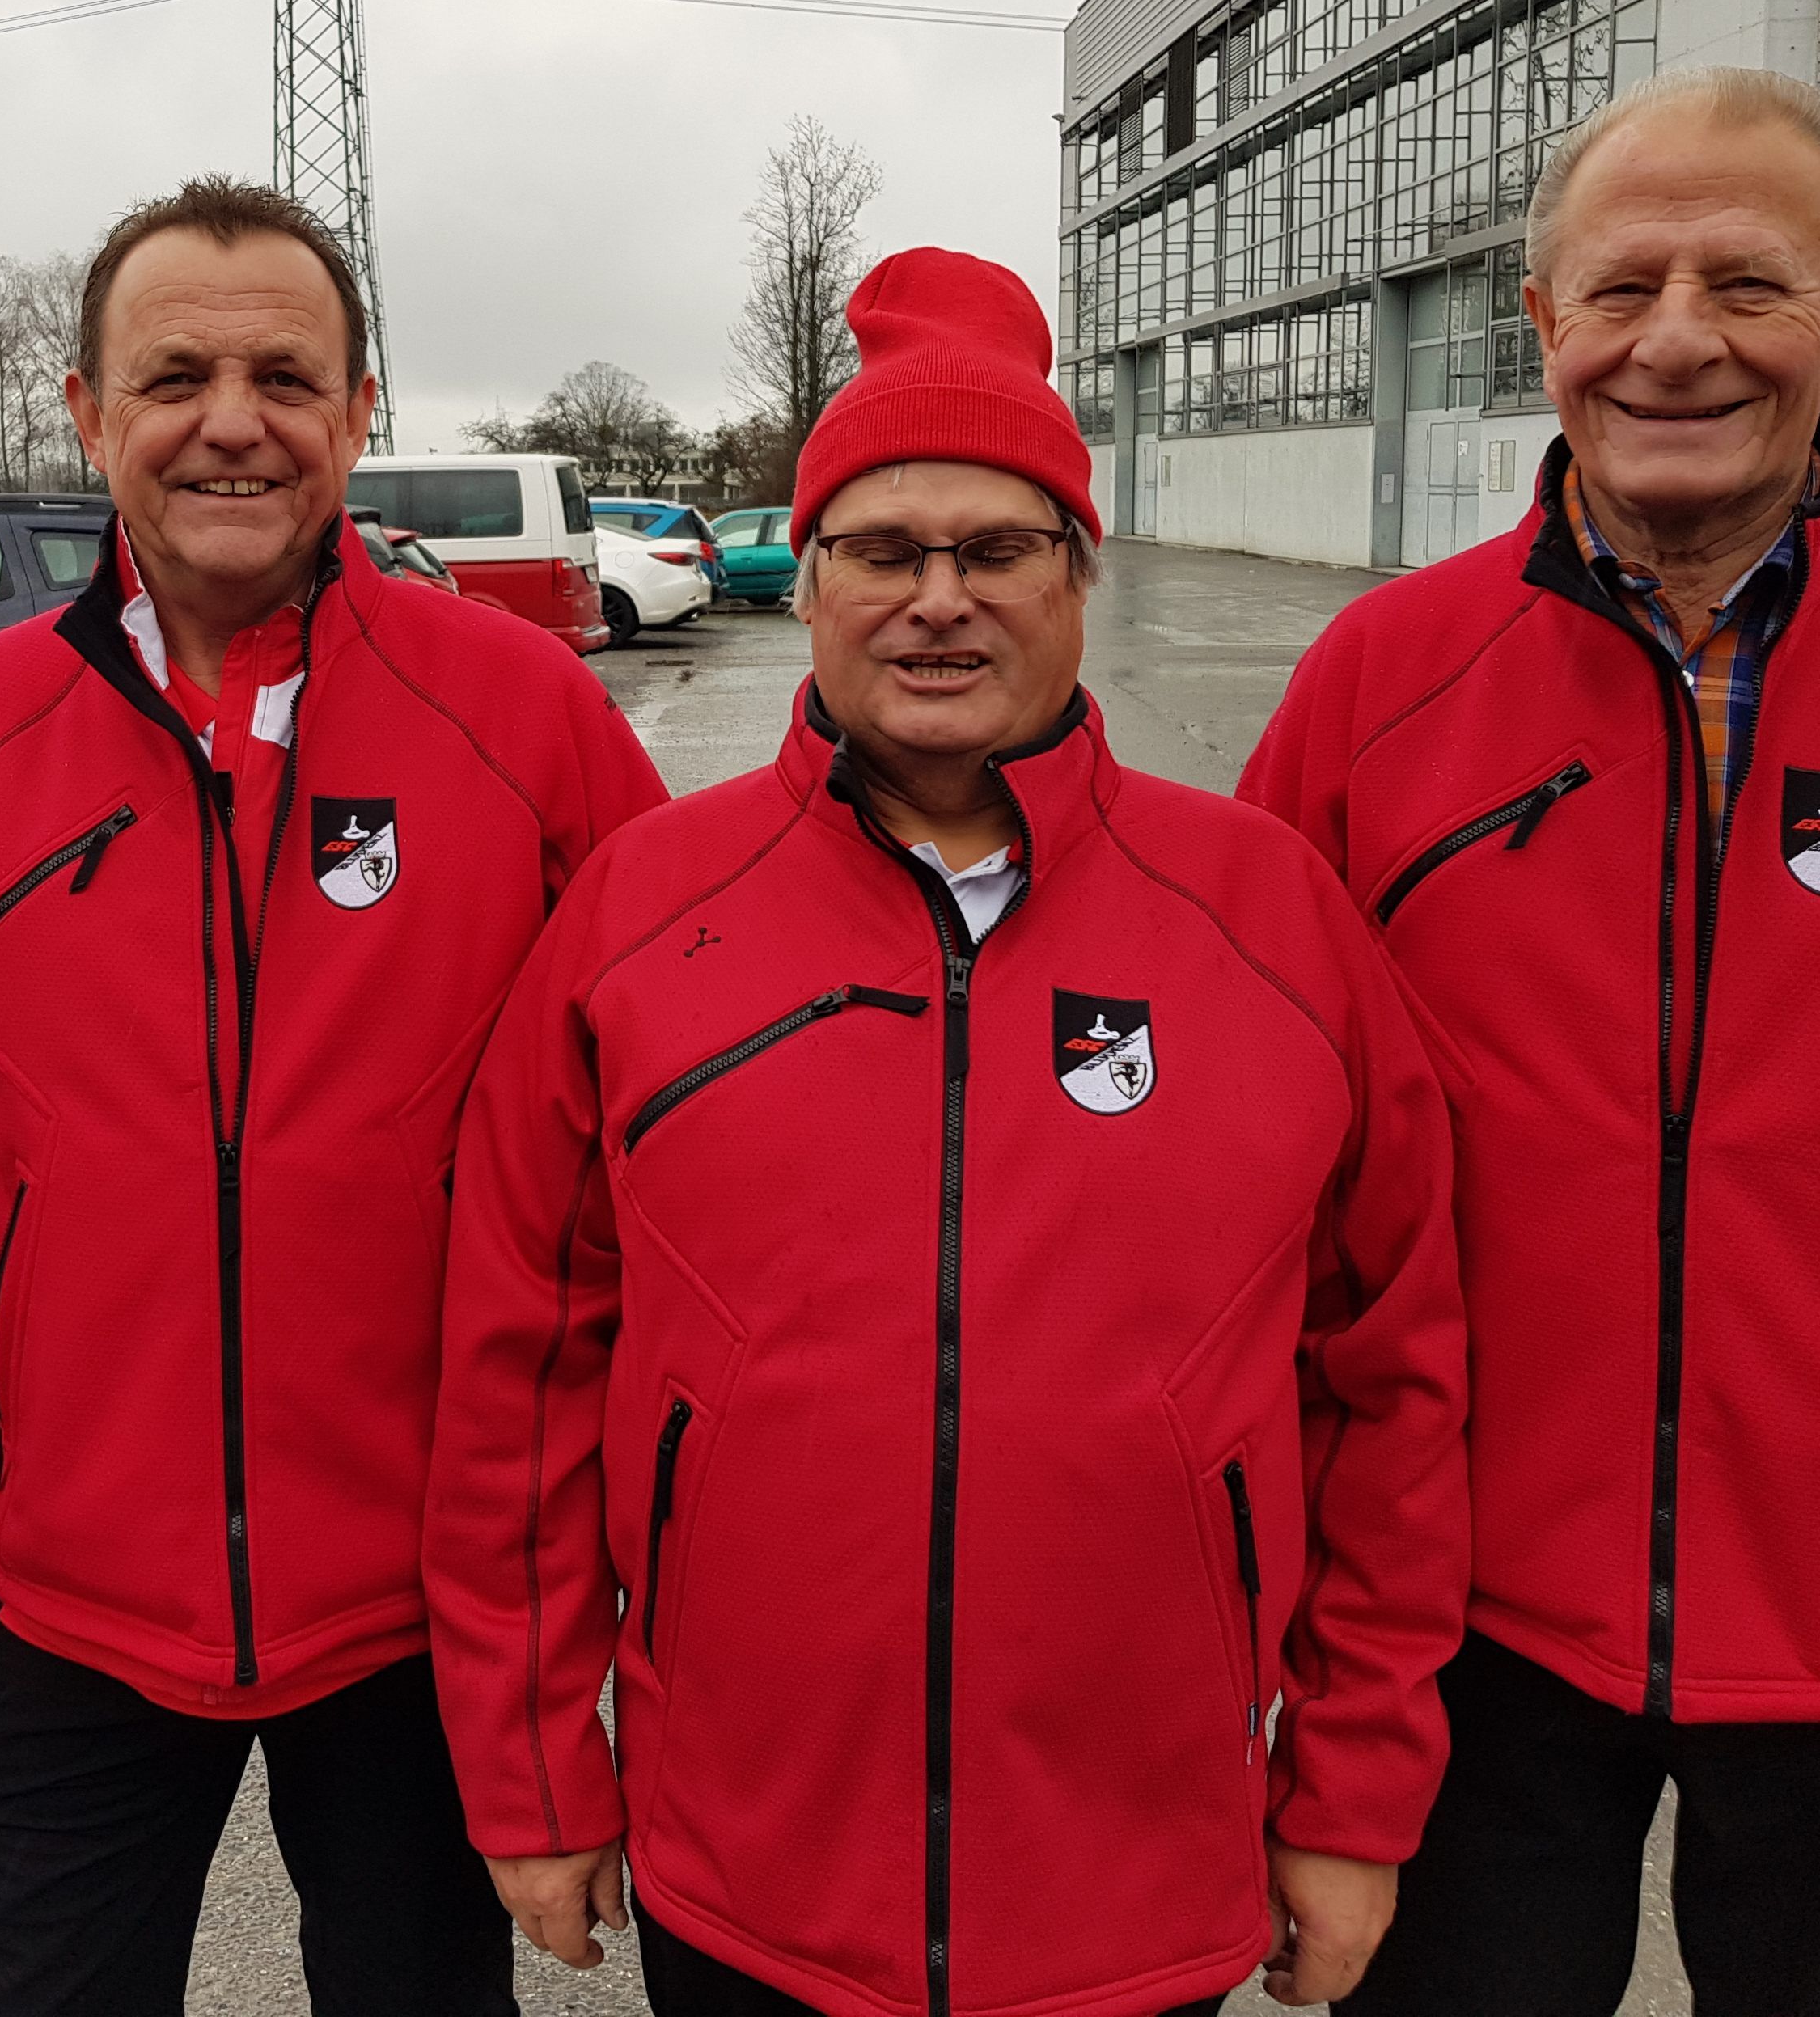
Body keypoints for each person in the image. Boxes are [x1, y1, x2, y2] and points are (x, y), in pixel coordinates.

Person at [425, 248, 1469, 2017]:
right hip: (747, 1868)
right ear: (809, 578)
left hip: (1135, 1882)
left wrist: (1353, 1802)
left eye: (996, 551)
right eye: (885, 552)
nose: (939, 602)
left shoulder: (1269, 921)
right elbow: (519, 1372)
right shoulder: (642, 916)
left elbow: (1398, 1385)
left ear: (1079, 574)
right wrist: (533, 1774)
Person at [1241, 66, 1820, 2015]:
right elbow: (1242, 1174)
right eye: (1622, 285)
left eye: (1748, 284)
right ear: (1543, 323)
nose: (1677, 342)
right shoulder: (1375, 692)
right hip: (1460, 1624)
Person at [0, 175, 669, 2016]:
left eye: (287, 373)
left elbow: (673, 1125)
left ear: (359, 414)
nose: (232, 419)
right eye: (174, 373)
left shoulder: (524, 719)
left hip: (433, 1608)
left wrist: (608, 1565)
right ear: (93, 415)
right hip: (75, 1604)